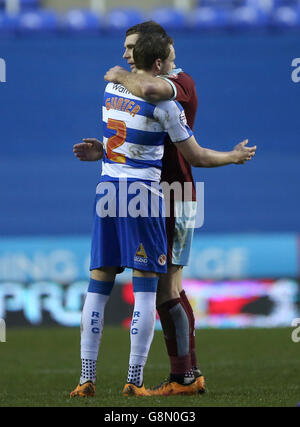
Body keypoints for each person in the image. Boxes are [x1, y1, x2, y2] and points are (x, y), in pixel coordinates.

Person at [71, 31, 256, 397]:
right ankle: (147, 378)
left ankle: (181, 375)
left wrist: (118, 76)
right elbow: (192, 151)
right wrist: (107, 150)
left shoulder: (178, 84)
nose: (124, 55)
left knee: (163, 289)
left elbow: (152, 92)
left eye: (131, 48)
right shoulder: (144, 90)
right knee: (154, 290)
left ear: (156, 55)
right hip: (147, 191)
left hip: (173, 195)